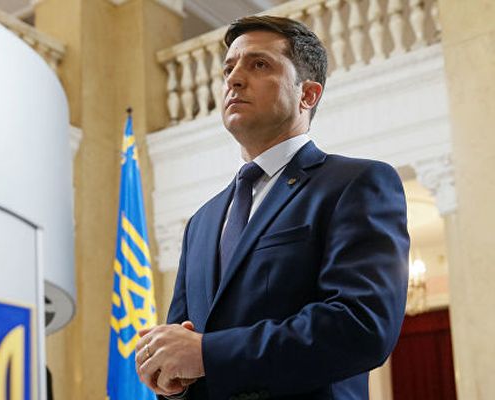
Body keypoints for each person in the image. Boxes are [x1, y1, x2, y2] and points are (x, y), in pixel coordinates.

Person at [135, 15, 409, 400]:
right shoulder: (201, 222)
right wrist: (168, 373)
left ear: (307, 94)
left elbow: (362, 326)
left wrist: (208, 354)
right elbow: (189, 346)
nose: (234, 79)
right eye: (228, 68)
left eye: (259, 64)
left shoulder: (355, 183)